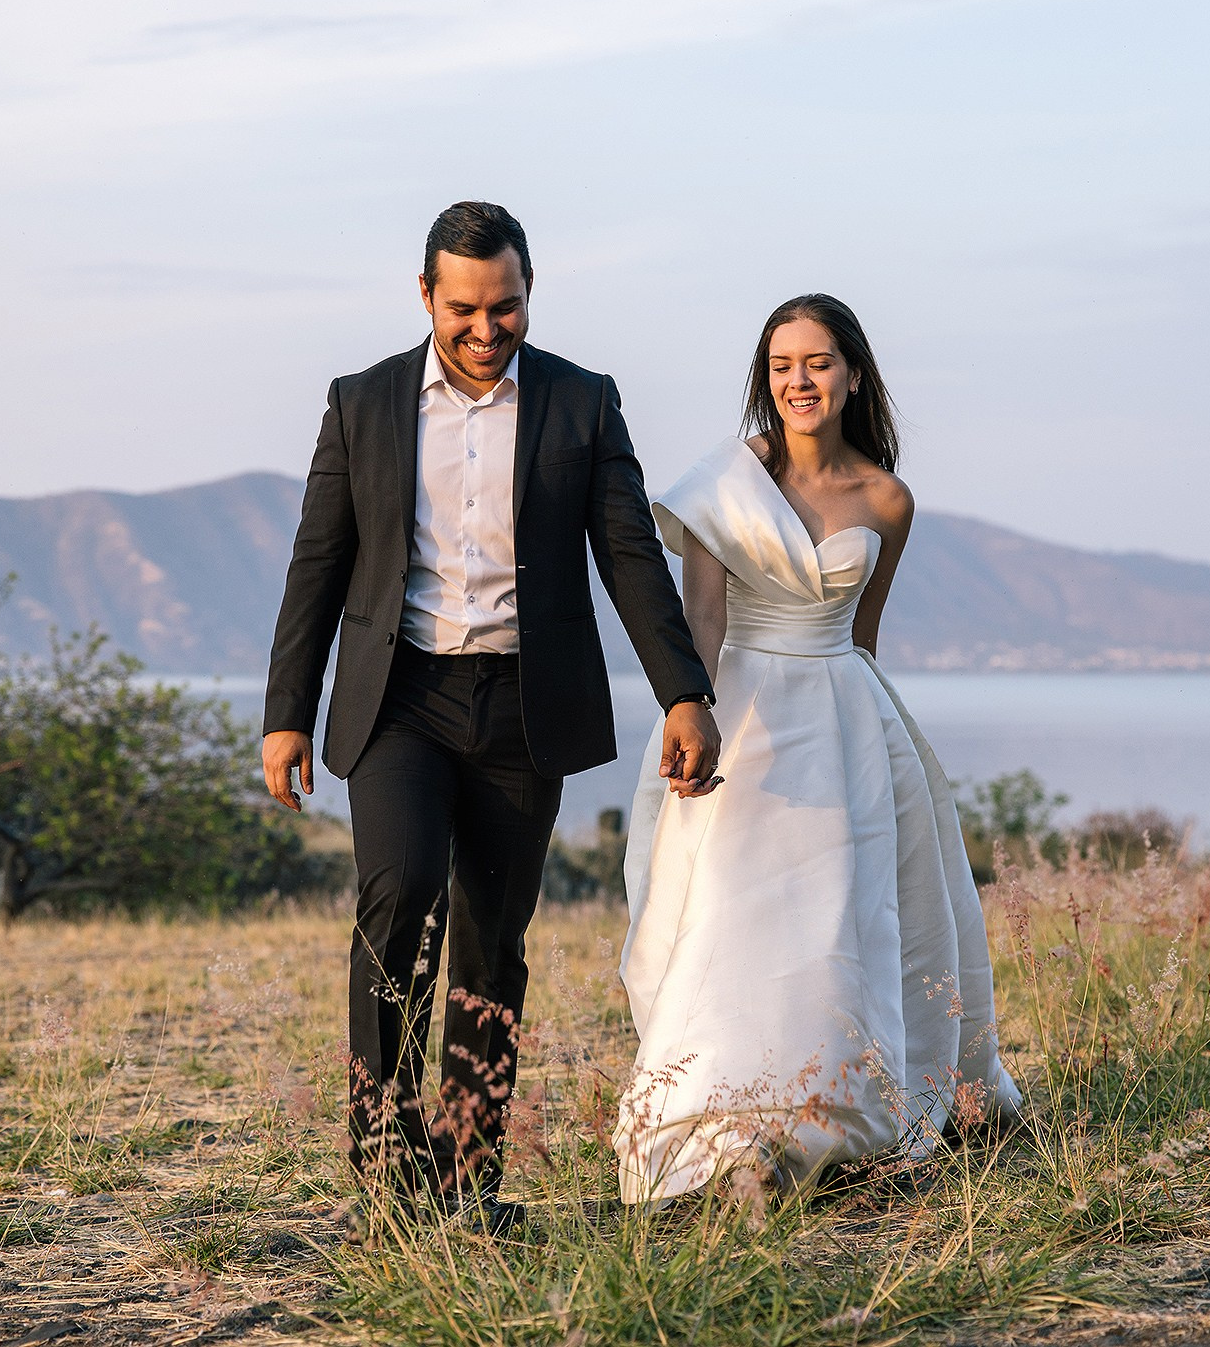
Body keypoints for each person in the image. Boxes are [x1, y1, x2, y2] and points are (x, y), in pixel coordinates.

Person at [261, 201, 722, 1232]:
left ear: (527, 294)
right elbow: (318, 563)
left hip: (523, 704)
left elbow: (632, 560)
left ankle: (468, 1180)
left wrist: (684, 691)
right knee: (403, 888)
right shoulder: (362, 402)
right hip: (402, 701)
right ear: (426, 294)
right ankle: (386, 1153)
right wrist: (286, 711)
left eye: (504, 307)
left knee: (493, 937)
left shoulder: (582, 403)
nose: (484, 328)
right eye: (463, 307)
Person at [615, 293, 1022, 1205]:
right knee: (729, 910)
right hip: (741, 716)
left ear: (853, 373)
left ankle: (840, 1112)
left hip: (845, 720)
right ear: (767, 379)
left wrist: (874, 746)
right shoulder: (727, 481)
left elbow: (861, 635)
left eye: (819, 362)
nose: (800, 380)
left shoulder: (888, 498)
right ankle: (729, 1128)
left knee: (848, 917)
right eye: (782, 365)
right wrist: (696, 718)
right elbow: (703, 618)